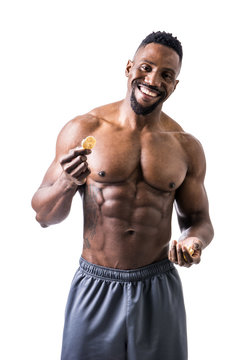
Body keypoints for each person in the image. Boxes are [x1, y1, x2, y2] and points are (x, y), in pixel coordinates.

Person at [31, 31, 214, 360]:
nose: (153, 79)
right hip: (95, 284)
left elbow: (199, 221)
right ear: (129, 68)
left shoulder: (186, 146)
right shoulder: (85, 129)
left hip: (158, 285)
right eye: (146, 67)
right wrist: (66, 183)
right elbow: (43, 216)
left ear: (174, 85)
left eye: (166, 75)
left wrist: (194, 242)